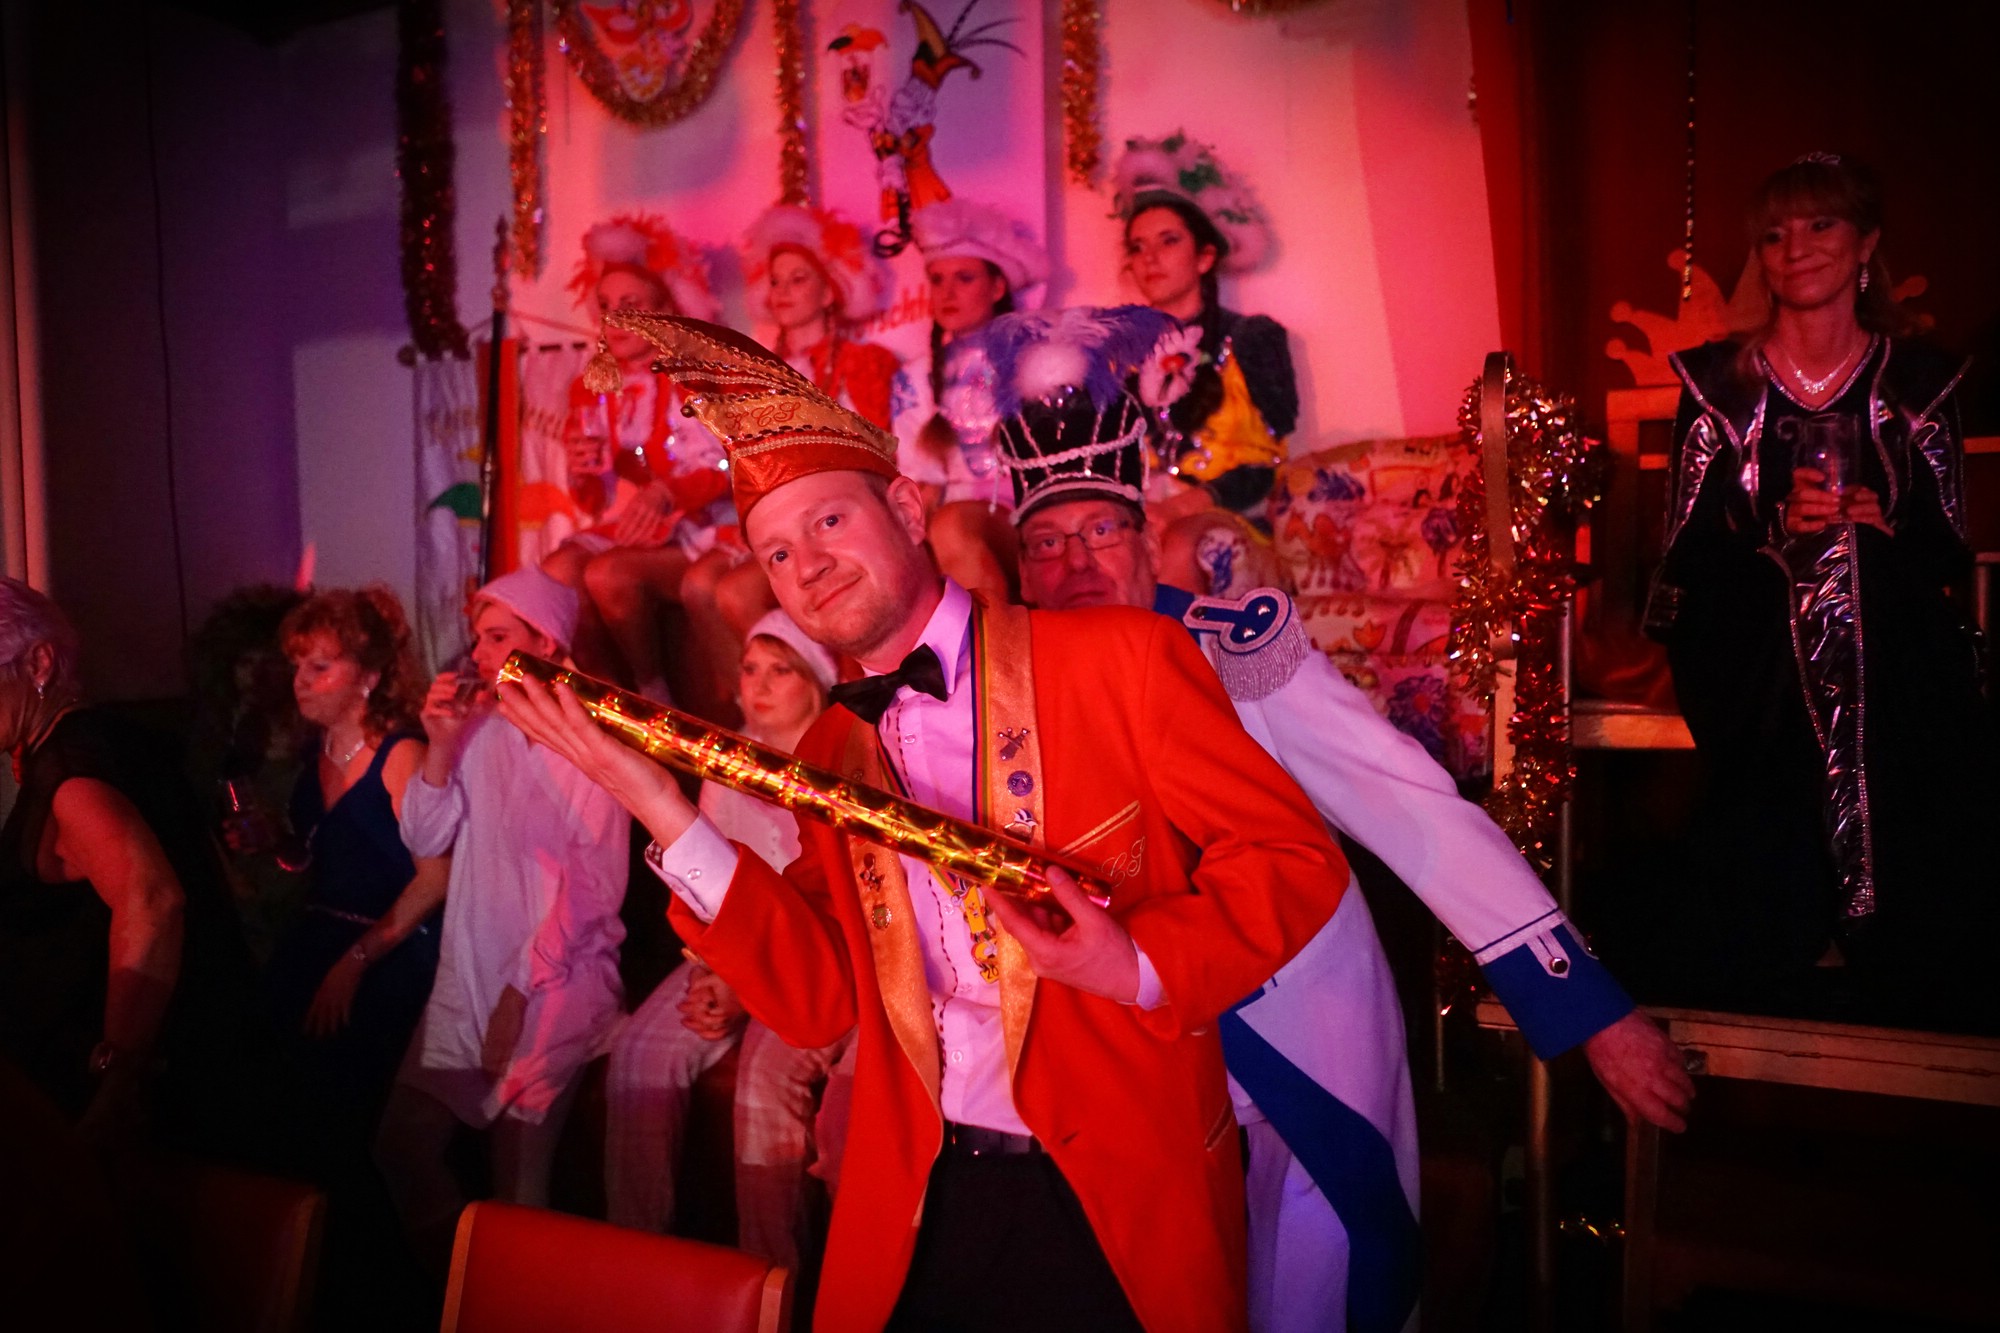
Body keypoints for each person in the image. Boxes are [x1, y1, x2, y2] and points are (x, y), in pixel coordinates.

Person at [499, 313, 1347, 1333]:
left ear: (905, 506)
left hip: (1118, 1204)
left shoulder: (1121, 660)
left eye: (827, 521)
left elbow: (1294, 857)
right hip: (921, 1201)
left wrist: (1134, 963)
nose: (807, 565)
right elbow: (817, 997)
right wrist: (661, 806)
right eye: (776, 552)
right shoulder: (829, 748)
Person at [976, 309, 1695, 1333]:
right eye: (1046, 544)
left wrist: (1588, 1011)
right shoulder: (995, 691)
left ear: (1146, 542)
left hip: (1292, 1036)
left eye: (1100, 532)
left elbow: (1410, 808)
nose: (1077, 564)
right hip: (1124, 1059)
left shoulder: (1237, 654)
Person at [1633, 153, 1999, 1033]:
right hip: (1745, 636)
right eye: (1774, 234)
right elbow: (1685, 552)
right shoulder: (1717, 385)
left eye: (1820, 225)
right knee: (1820, 571)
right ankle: (1836, 903)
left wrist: (1882, 523)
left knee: (1861, 566)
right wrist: (1775, 532)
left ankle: (1853, 906)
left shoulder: (1918, 382)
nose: (1794, 248)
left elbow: (1946, 548)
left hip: (1894, 632)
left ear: (1866, 242)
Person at [375, 568, 630, 1269]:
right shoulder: (479, 730)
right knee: (400, 1147)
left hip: (556, 978)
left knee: (518, 1185)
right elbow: (424, 836)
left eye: (498, 637)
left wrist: (520, 990)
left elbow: (595, 885)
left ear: (546, 642)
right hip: (471, 971)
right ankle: (459, 1290)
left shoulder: (591, 737)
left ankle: (516, 1298)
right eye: (478, 638)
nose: (479, 653)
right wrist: (439, 743)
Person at [604, 609, 850, 1273]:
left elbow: (828, 915)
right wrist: (716, 972)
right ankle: (635, 1265)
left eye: (781, 671)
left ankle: (769, 1280)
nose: (759, 686)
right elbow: (705, 888)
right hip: (728, 953)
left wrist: (744, 984)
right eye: (749, 669)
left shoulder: (842, 768)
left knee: (764, 1084)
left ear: (816, 682)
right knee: (640, 1054)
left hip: (812, 961)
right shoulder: (727, 762)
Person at [0, 579, 267, 1158]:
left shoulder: (71, 771)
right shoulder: (110, 742)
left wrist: (117, 1078)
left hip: (129, 1095)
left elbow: (154, 902)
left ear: (39, 663)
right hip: (196, 1059)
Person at [262, 587, 445, 1183]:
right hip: (319, 938)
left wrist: (355, 961)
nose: (301, 681)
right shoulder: (313, 752)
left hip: (390, 945)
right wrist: (277, 843)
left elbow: (436, 878)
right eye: (297, 666)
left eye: (319, 666)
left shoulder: (401, 754)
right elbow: (320, 862)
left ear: (368, 677)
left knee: (341, 1109)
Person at [541, 215, 749, 715]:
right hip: (637, 529)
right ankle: (612, 699)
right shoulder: (592, 386)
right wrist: (583, 472)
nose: (615, 319)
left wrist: (668, 492)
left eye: (631, 306)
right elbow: (594, 500)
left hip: (702, 528)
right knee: (557, 573)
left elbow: (728, 468)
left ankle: (652, 698)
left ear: (666, 312)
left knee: (608, 575)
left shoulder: (696, 376)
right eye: (606, 306)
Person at [1115, 131, 1297, 525]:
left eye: (1168, 241)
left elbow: (1265, 467)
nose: (1150, 259)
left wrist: (1179, 509)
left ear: (1204, 257)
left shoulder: (1249, 339)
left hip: (1224, 522)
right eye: (1138, 247)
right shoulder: (1122, 356)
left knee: (1179, 544)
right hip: (1142, 524)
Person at [887, 199, 1047, 601]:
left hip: (1032, 518)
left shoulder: (1038, 362)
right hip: (949, 525)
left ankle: (991, 641)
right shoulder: (915, 378)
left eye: (964, 278)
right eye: (937, 280)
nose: (948, 293)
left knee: (953, 525)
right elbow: (919, 482)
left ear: (997, 287)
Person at [743, 203, 901, 432]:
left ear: (827, 293)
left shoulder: (865, 364)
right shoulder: (757, 376)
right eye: (775, 281)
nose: (782, 291)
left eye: (798, 279)